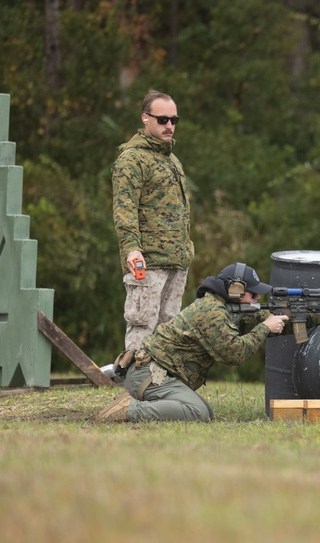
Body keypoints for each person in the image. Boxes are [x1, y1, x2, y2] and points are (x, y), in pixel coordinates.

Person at [94, 262, 320, 423]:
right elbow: (235, 354)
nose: (257, 299)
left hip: (156, 374)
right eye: (253, 294)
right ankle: (130, 409)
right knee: (197, 412)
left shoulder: (224, 308)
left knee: (204, 412)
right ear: (236, 291)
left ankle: (137, 403)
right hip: (151, 375)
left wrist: (318, 315)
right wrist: (264, 328)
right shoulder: (213, 314)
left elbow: (270, 318)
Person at [112, 89, 193, 351]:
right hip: (148, 261)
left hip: (175, 258)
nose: (170, 126)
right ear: (145, 118)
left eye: (174, 120)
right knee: (142, 325)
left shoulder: (172, 160)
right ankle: (137, 387)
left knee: (169, 330)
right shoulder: (131, 159)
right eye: (163, 120)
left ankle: (159, 388)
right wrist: (132, 249)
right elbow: (124, 209)